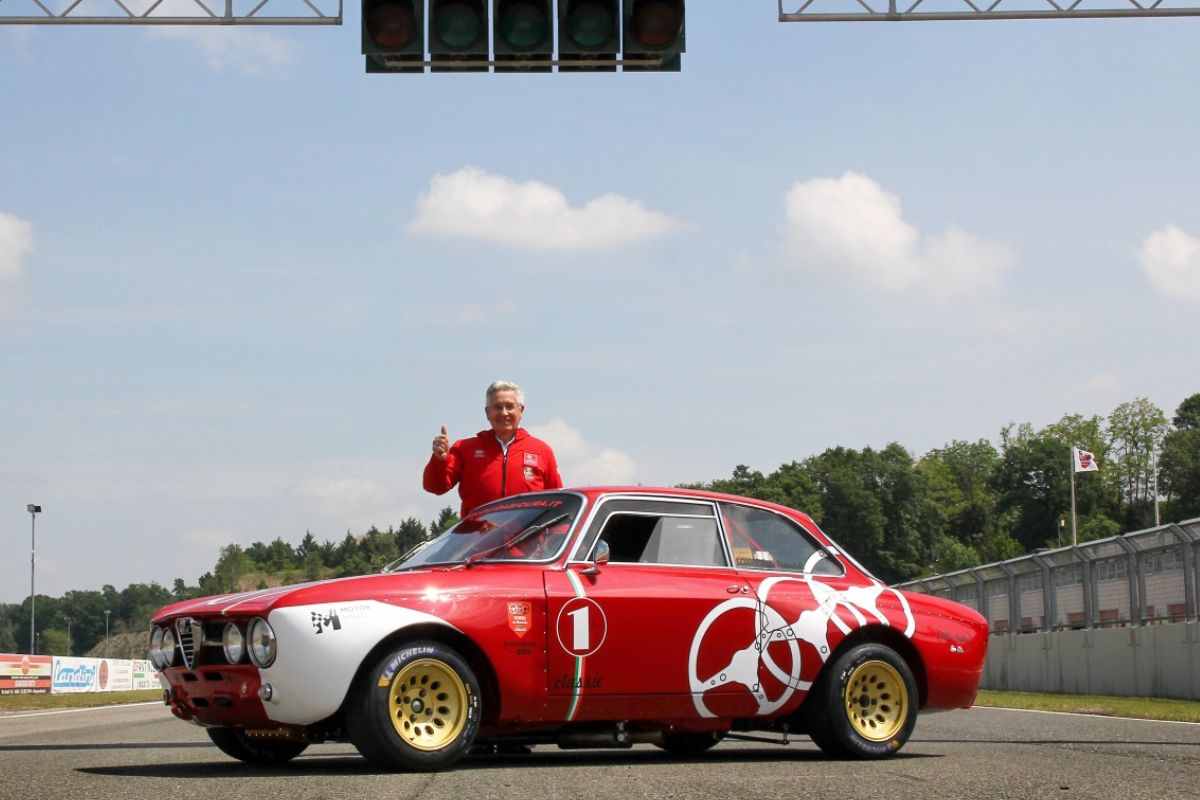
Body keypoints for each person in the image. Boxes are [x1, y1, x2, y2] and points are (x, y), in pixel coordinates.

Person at [423, 380, 563, 517]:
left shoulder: (542, 451)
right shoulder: (465, 448)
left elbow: (558, 503)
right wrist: (439, 461)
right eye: (497, 407)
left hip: (529, 537)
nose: (504, 413)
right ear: (487, 412)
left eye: (509, 406)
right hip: (479, 537)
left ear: (521, 410)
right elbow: (435, 487)